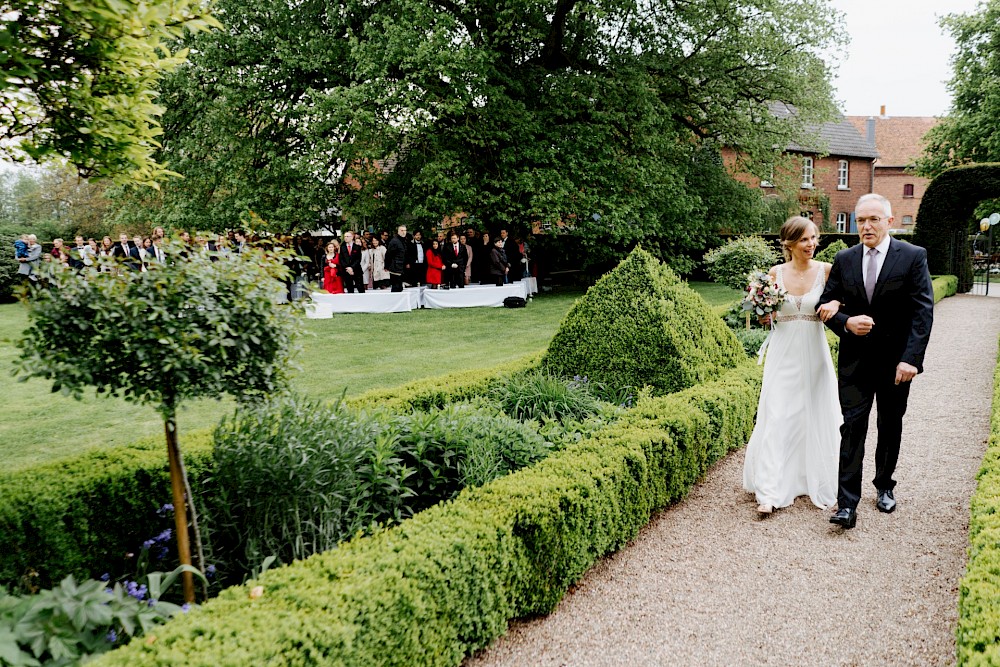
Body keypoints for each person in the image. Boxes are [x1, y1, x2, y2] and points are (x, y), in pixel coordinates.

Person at [818, 194, 935, 529]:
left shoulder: (913, 256)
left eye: (873, 219)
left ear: (889, 220)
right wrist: (846, 323)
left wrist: (911, 359)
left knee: (889, 424)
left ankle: (884, 484)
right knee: (852, 427)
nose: (866, 226)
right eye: (860, 221)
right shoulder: (844, 257)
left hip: (896, 363)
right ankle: (846, 504)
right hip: (855, 362)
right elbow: (826, 304)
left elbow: (922, 312)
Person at [742, 216, 841, 516]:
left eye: (813, 238)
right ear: (789, 244)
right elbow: (764, 315)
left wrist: (836, 304)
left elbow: (847, 299)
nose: (811, 244)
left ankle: (816, 480)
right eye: (804, 240)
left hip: (814, 352)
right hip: (783, 353)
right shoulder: (774, 273)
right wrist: (761, 312)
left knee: (816, 412)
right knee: (778, 414)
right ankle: (770, 491)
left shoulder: (826, 270)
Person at [384, 225, 408, 292]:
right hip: (395, 268)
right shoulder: (394, 241)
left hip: (401, 267)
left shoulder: (404, 240)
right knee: (396, 286)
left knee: (400, 287)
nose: (403, 232)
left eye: (405, 230)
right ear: (398, 231)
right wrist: (387, 266)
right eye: (402, 230)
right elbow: (389, 254)